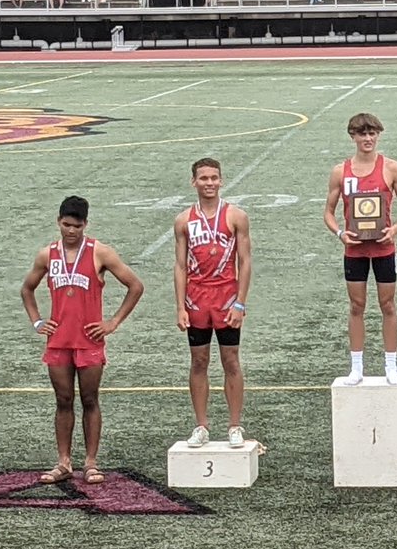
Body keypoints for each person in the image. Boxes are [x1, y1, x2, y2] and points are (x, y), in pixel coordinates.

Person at [21, 196, 144, 485]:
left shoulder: (100, 252)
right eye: (65, 225)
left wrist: (113, 322)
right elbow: (27, 289)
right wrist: (38, 320)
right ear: (58, 222)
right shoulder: (46, 255)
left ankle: (91, 462)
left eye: (76, 226)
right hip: (59, 341)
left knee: (90, 399)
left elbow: (135, 286)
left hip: (89, 340)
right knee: (63, 400)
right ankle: (63, 461)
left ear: (85, 224)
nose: (70, 231)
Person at [323, 114, 397, 385]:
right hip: (355, 251)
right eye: (362, 134)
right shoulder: (341, 171)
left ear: (379, 135)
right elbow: (328, 212)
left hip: (384, 248)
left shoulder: (392, 168)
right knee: (356, 305)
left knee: (387, 304)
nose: (367, 139)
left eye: (372, 134)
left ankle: (391, 365)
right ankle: (357, 366)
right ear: (353, 136)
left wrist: (394, 229)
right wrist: (340, 233)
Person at [173, 159, 253, 448]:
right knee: (199, 361)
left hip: (226, 296)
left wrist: (240, 303)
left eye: (214, 178)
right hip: (196, 298)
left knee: (231, 359)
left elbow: (244, 261)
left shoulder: (236, 216)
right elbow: (180, 265)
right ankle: (201, 426)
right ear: (193, 182)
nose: (209, 183)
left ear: (221, 181)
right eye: (203, 178)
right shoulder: (183, 220)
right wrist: (180, 306)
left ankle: (234, 425)